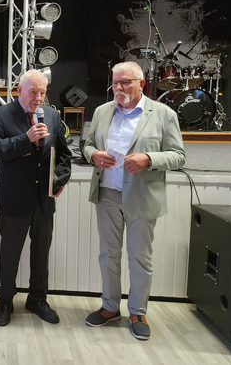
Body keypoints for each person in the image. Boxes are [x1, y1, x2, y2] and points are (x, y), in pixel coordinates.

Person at [82, 61, 185, 340]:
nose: (119, 87)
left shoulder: (163, 114)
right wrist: (94, 155)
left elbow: (178, 156)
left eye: (126, 82)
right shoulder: (103, 111)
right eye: (115, 82)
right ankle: (109, 307)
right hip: (107, 193)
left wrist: (149, 159)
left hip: (142, 195)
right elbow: (86, 145)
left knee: (140, 257)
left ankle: (138, 311)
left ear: (142, 84)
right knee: (108, 255)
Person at [0, 69, 71, 327]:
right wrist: (26, 139)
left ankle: (37, 299)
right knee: (10, 254)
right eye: (33, 92)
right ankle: (5, 301)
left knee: (41, 254)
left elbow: (64, 155)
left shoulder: (53, 115)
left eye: (43, 92)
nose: (39, 98)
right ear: (19, 90)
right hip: (14, 199)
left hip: (44, 200)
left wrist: (59, 180)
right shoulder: (1, 115)